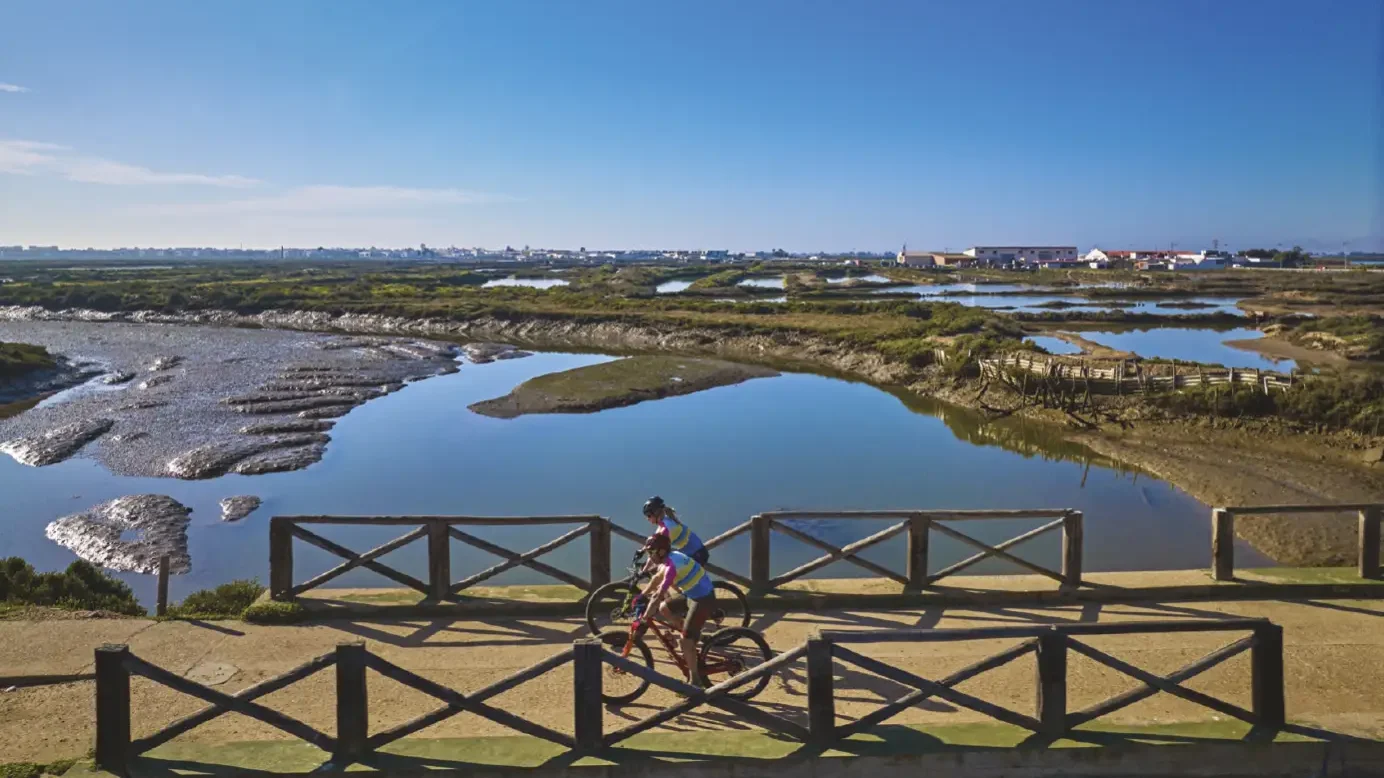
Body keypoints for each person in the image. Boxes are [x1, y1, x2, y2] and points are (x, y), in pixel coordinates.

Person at [638, 532, 716, 687]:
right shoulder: (668, 558)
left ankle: (695, 680)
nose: (649, 556)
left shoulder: (672, 566)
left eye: (651, 552)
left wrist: (645, 617)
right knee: (664, 607)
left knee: (685, 641)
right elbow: (656, 579)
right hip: (691, 593)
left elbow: (659, 594)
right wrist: (641, 595)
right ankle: (690, 637)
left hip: (702, 598)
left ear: (661, 551)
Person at [642, 496, 709, 565]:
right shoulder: (666, 520)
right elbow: (653, 542)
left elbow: (656, 550)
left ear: (656, 513)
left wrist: (644, 570)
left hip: (696, 555)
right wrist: (642, 550)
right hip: (699, 551)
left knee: (669, 570)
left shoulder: (666, 529)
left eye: (649, 515)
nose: (647, 519)